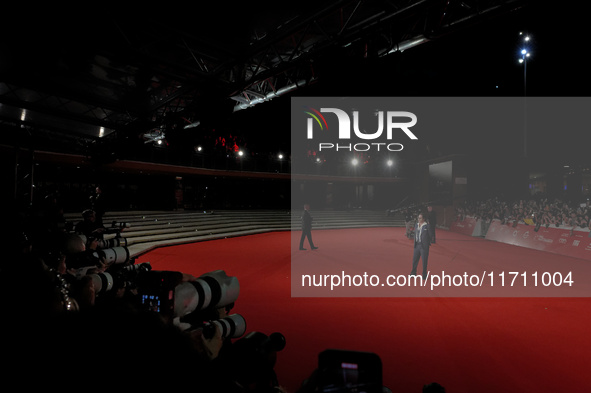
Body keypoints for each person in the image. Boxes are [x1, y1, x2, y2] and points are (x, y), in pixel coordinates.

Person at [411, 213, 431, 280]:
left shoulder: (427, 226)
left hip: (424, 246)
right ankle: (413, 273)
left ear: (423, 219)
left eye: (420, 218)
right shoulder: (416, 225)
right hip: (417, 245)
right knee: (414, 260)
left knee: (424, 261)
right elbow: (415, 233)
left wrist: (426, 243)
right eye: (418, 218)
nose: (418, 219)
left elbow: (430, 235)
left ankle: (424, 274)